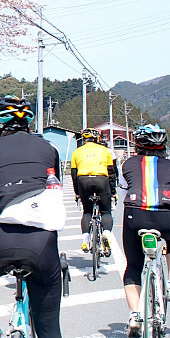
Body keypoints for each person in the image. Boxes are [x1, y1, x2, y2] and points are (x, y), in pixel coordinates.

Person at [0, 96, 64, 338]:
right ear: (29, 126)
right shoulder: (50, 149)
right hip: (42, 242)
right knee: (49, 327)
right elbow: (55, 191)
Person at [118, 124, 170, 337]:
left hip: (135, 215)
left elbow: (123, 194)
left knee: (133, 265)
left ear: (138, 144)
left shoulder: (128, 163)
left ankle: (134, 315)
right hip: (166, 216)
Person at [71, 128, 118, 253]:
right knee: (106, 211)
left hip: (83, 180)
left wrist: (78, 193)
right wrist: (113, 192)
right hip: (101, 179)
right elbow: (112, 173)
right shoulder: (104, 151)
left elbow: (74, 175)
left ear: (84, 139)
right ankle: (106, 234)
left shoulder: (77, 152)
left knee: (87, 212)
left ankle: (85, 240)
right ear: (97, 139)